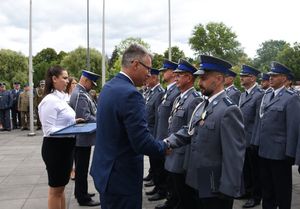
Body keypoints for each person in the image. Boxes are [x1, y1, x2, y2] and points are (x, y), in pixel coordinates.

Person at [90, 44, 170, 209]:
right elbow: (141, 142)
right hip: (121, 179)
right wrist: (165, 147)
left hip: (106, 172)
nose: (149, 74)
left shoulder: (109, 87)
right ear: (135, 64)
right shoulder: (131, 94)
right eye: (147, 68)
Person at [165, 55, 245, 209]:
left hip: (215, 179)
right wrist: (167, 142)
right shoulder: (202, 105)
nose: (199, 83)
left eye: (204, 78)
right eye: (199, 79)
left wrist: (228, 189)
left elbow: (234, 155)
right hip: (198, 176)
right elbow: (189, 131)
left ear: (219, 78)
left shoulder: (229, 110)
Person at [254, 62, 300, 209]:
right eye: (270, 75)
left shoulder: (291, 98)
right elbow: (262, 122)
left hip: (280, 154)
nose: (270, 78)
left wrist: (290, 154)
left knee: (282, 190)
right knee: (267, 189)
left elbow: (293, 127)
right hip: (264, 150)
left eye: (275, 75)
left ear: (284, 78)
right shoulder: (267, 96)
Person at [38, 66, 83, 209]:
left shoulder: (62, 97)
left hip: (65, 146)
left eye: (67, 77)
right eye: (64, 77)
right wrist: (70, 127)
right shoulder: (50, 100)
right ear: (54, 79)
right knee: (55, 190)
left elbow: (60, 121)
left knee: (60, 189)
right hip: (55, 148)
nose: (67, 80)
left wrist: (74, 123)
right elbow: (49, 130)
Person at [163, 59, 202, 209]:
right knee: (178, 193)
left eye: (179, 75)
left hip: (182, 157)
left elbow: (190, 131)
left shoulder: (194, 99)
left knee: (186, 196)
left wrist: (186, 162)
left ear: (189, 78)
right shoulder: (180, 98)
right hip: (173, 153)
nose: (175, 77)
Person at [151, 59, 181, 209]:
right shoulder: (168, 91)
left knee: (170, 174)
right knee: (165, 171)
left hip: (170, 139)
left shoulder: (176, 92)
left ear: (174, 73)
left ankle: (170, 198)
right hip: (162, 136)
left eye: (165, 70)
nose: (163, 73)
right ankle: (168, 196)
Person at [69, 70, 101, 207]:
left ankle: (81, 192)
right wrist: (101, 121)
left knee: (82, 167)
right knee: (81, 169)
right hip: (81, 138)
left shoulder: (82, 93)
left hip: (82, 138)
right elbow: (85, 117)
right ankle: (83, 198)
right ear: (86, 80)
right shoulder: (80, 95)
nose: (92, 87)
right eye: (91, 83)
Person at [239, 65, 264, 208]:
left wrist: (255, 141)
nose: (241, 78)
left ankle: (256, 196)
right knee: (245, 169)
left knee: (255, 170)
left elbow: (259, 120)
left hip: (252, 140)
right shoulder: (243, 95)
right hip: (242, 139)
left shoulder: (259, 95)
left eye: (244, 76)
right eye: (241, 75)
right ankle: (247, 192)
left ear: (253, 78)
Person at [144, 68, 165, 200]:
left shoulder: (159, 93)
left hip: (154, 132)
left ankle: (161, 188)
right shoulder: (152, 92)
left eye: (148, 77)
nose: (146, 79)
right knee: (153, 161)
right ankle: (157, 185)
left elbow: (158, 117)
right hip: (150, 131)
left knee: (158, 163)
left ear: (154, 78)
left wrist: (157, 136)